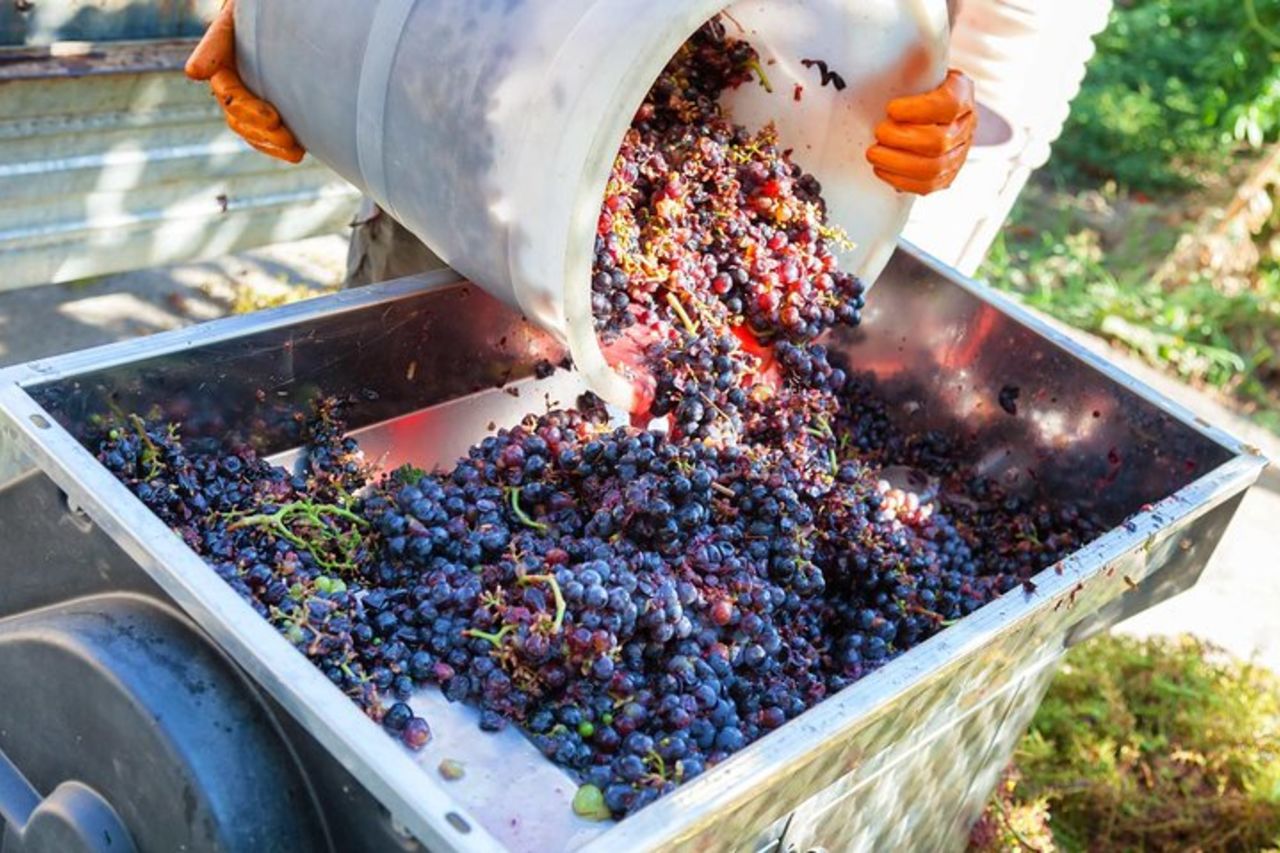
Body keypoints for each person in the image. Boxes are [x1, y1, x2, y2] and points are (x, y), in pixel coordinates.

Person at [186, 0, 976, 287]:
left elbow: (897, 32)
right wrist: (264, 24)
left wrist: (939, 103)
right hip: (442, 171)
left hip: (680, 155)